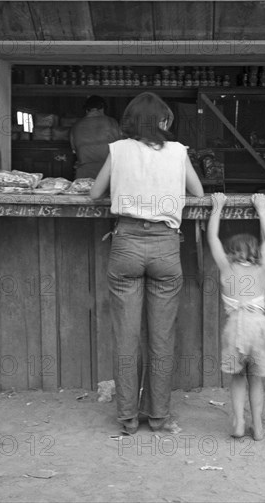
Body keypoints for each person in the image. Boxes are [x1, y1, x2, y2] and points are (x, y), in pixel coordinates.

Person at [90, 92, 204, 435]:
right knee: (162, 336)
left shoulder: (118, 150)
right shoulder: (179, 152)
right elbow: (197, 192)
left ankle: (127, 418)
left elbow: (95, 192)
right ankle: (157, 417)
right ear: (164, 122)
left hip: (125, 242)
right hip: (165, 247)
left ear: (129, 123)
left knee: (126, 336)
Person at [207, 192, 265, 441]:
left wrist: (217, 207)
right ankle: (257, 426)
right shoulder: (262, 269)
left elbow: (213, 238)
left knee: (238, 377)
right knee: (255, 379)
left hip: (235, 328)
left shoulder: (226, 269)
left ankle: (238, 424)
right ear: (255, 253)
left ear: (231, 253)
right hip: (259, 328)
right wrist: (261, 208)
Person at [69, 95, 120, 179]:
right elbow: (120, 147)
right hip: (108, 174)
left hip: (84, 174)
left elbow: (74, 149)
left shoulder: (76, 126)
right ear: (103, 108)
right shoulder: (112, 122)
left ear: (86, 110)